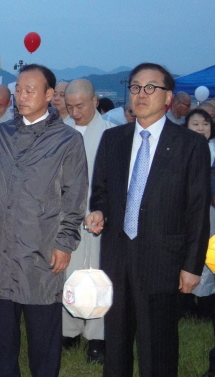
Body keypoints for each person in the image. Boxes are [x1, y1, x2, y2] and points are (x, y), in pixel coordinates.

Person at [0, 64, 88, 377]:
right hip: (2, 247)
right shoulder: (1, 134)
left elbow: (75, 197)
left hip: (41, 249)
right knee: (2, 338)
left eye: (30, 90)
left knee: (42, 335)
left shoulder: (67, 140)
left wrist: (65, 242)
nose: (22, 95)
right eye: (19, 89)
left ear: (49, 95)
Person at [85, 63, 211, 377]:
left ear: (168, 97)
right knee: (116, 342)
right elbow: (100, 190)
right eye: (135, 87)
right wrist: (99, 210)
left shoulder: (189, 145)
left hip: (163, 259)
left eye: (150, 87)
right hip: (117, 255)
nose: (141, 94)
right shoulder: (113, 139)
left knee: (159, 347)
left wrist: (192, 265)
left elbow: (198, 209)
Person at [62, 79, 115, 363]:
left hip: (98, 216)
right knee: (65, 271)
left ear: (95, 101)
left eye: (80, 105)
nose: (75, 112)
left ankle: (97, 336)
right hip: (66, 216)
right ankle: (68, 329)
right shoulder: (60, 132)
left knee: (98, 274)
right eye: (69, 106)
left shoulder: (112, 134)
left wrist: (102, 211)